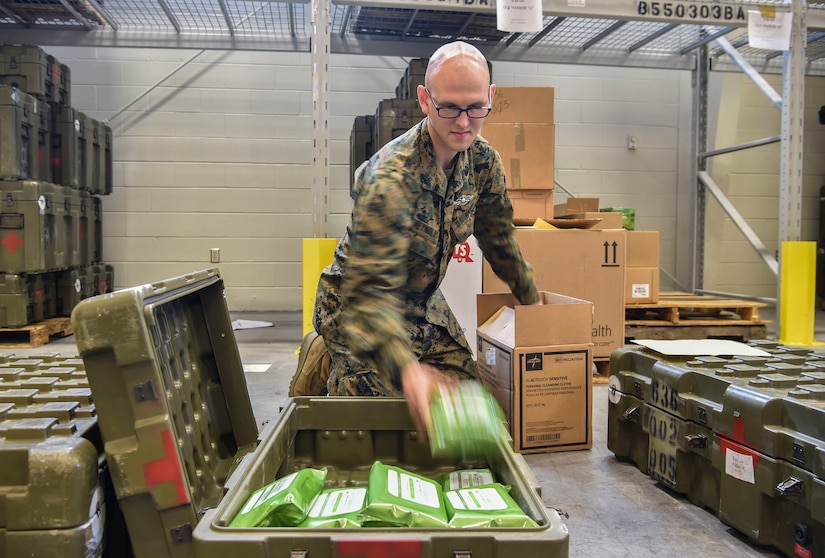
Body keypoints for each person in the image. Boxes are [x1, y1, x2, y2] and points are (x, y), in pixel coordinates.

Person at [311, 40, 540, 432]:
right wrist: (408, 373)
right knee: (387, 425)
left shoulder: (484, 163)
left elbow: (500, 240)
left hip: (421, 305)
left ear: (490, 96)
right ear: (424, 99)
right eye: (449, 107)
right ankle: (325, 361)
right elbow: (368, 295)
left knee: (473, 417)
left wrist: (537, 307)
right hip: (358, 308)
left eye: (475, 108)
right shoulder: (389, 177)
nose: (464, 122)